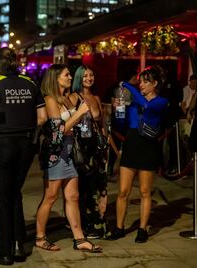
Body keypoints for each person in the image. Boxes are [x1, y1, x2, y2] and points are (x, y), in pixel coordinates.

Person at [0, 47, 47, 265]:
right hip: (25, 145)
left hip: (2, 145)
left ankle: (3, 251)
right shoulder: (31, 82)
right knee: (15, 193)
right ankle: (18, 245)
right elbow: (42, 118)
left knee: (1, 198)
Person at [35, 64, 102, 253]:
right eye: (66, 75)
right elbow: (58, 132)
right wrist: (80, 113)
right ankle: (40, 237)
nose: (71, 77)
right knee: (51, 196)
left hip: (71, 152)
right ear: (55, 78)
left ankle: (79, 239)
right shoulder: (49, 100)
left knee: (73, 196)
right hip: (55, 153)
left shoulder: (65, 99)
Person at [108, 67, 168, 243]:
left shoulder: (160, 101)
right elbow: (122, 123)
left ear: (155, 84)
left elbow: (147, 105)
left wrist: (127, 84)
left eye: (145, 81)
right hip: (132, 143)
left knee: (144, 191)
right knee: (123, 191)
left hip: (148, 147)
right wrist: (118, 111)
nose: (141, 84)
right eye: (140, 81)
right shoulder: (134, 103)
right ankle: (119, 228)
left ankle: (142, 229)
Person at [71, 65, 109, 239]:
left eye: (91, 74)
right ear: (79, 77)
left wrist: (107, 145)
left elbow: (101, 125)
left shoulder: (96, 97)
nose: (89, 78)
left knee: (98, 185)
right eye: (85, 75)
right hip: (81, 147)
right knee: (83, 187)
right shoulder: (74, 97)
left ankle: (97, 221)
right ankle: (85, 224)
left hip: (96, 147)